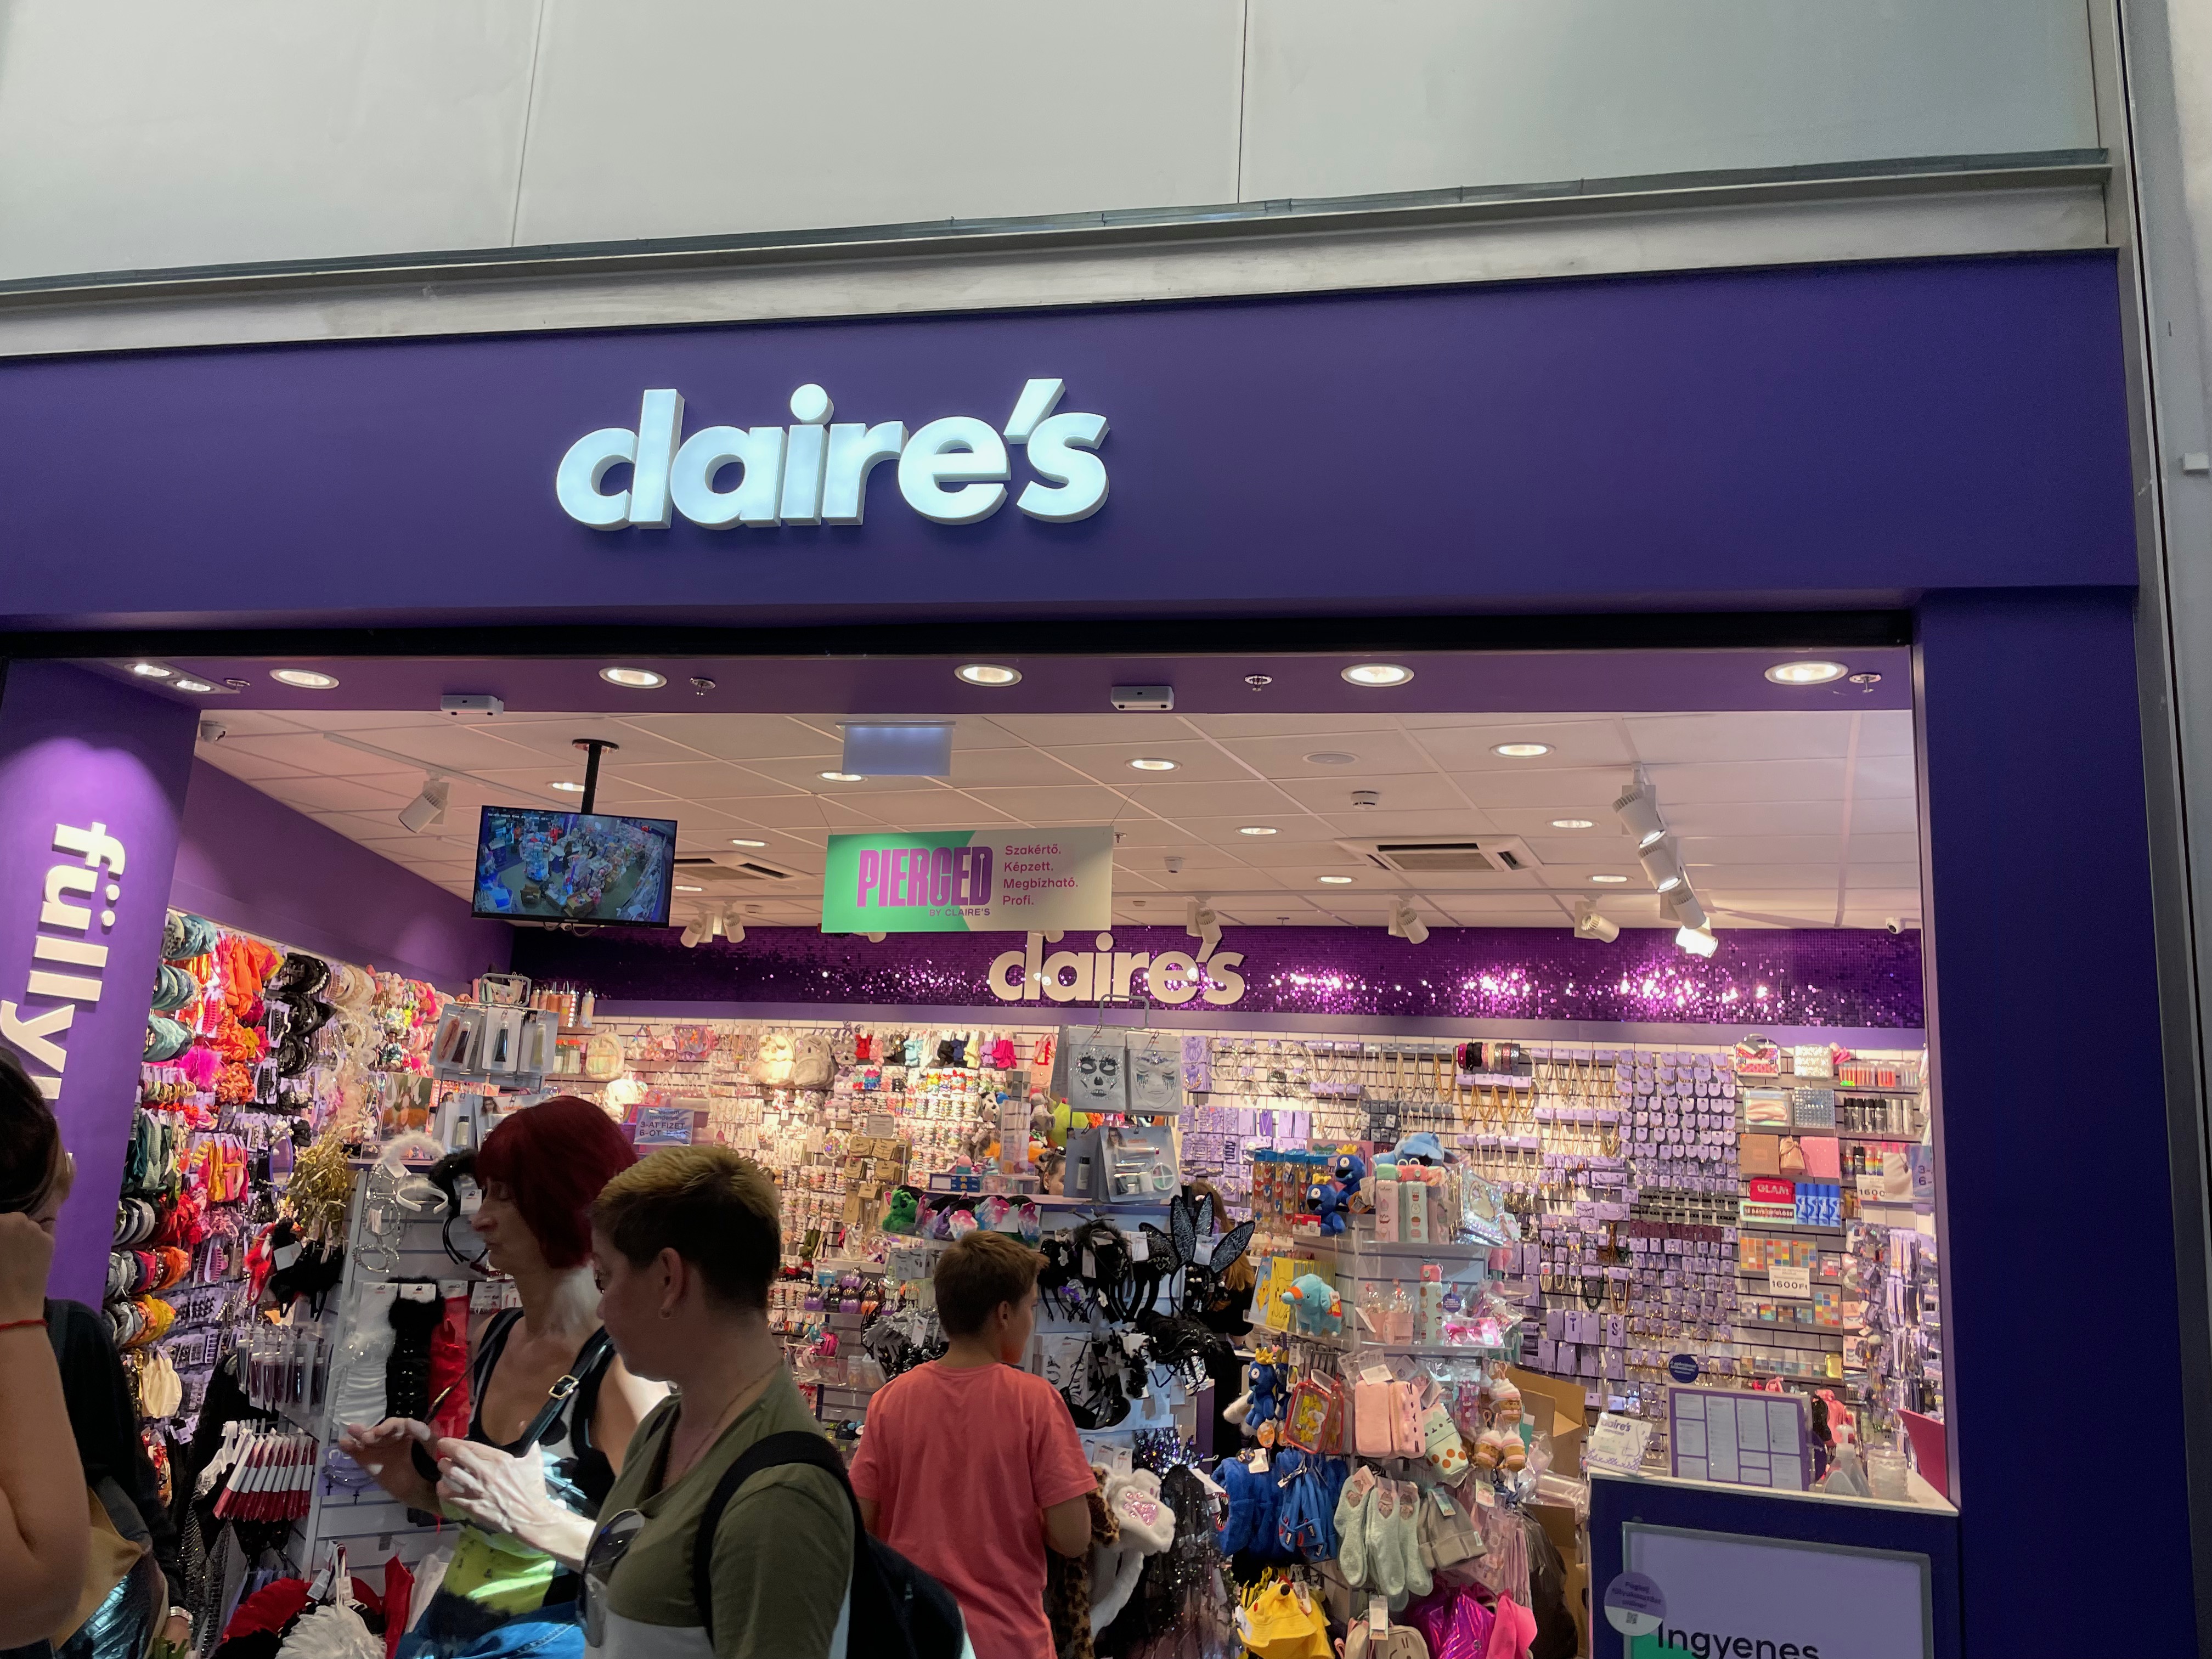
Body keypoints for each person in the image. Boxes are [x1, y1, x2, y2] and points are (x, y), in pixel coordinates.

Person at [430, 1146, 856, 1659]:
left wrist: (539, 1521)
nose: (603, 1307)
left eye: (605, 1279)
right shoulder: (667, 1427)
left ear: (668, 1280)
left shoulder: (780, 1498)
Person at [341, 1097, 662, 1658]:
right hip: (453, 1637)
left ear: (569, 1202)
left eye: (507, 1197)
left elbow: (670, 1569)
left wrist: (543, 1522)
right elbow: (497, 1525)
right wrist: (411, 1483)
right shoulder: (496, 1336)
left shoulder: (620, 1373)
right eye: (485, 1192)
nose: (480, 1217)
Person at [0, 1049, 176, 1659]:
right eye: (45, 1224)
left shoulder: (70, 1335)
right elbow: (37, 1592)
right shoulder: (44, 1334)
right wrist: (17, 1317)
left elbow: (127, 1477)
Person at [850, 1231, 1094, 1659]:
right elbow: (1074, 1537)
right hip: (1009, 1640)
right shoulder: (1035, 1402)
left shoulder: (890, 1401)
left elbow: (860, 1525)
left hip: (912, 1636)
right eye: (1031, 1307)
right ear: (1004, 1314)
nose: (1032, 1320)